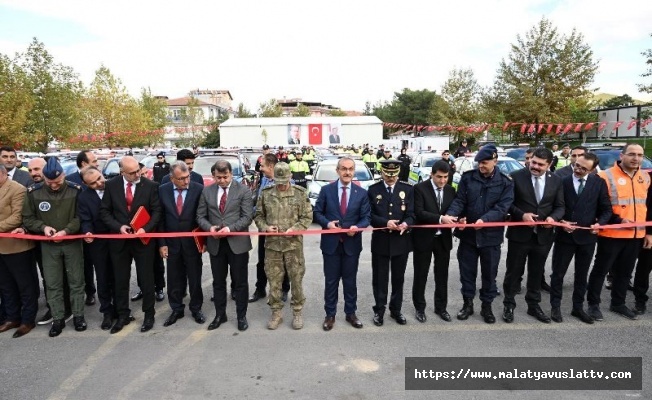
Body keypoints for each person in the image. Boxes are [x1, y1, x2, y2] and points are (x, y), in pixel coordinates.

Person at [441, 145, 514, 323]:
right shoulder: (468, 178)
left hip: (490, 237)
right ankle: (467, 305)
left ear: (495, 161)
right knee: (467, 273)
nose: (480, 166)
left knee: (489, 274)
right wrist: (452, 214)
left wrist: (485, 220)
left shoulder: (506, 182)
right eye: (479, 163)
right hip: (468, 236)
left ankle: (486, 307)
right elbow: (460, 200)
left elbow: (503, 207)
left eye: (485, 163)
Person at [22, 157, 86, 337]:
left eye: (58, 182)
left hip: (72, 242)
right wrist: (43, 228)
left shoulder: (76, 190)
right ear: (44, 178)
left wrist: (66, 231)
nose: (54, 185)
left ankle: (78, 316)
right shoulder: (34, 192)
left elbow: (81, 217)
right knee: (52, 283)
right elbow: (28, 218)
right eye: (50, 182)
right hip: (49, 245)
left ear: (63, 175)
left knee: (76, 281)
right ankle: (57, 318)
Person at [587, 143, 650, 321]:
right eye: (631, 154)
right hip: (611, 235)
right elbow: (598, 207)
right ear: (621, 156)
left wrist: (647, 232)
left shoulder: (645, 177)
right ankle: (593, 304)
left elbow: (646, 207)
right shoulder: (604, 176)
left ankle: (618, 303)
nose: (636, 158)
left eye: (639, 155)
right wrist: (619, 221)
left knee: (625, 272)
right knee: (601, 270)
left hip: (635, 235)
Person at [501, 147, 565, 324]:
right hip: (519, 235)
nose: (534, 166)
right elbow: (507, 203)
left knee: (536, 273)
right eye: (533, 162)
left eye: (540, 164)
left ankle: (533, 305)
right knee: (513, 272)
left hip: (543, 236)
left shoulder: (557, 180)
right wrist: (522, 215)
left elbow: (560, 206)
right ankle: (509, 303)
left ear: (549, 164)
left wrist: (553, 218)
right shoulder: (515, 176)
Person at [100, 156, 162, 334]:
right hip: (120, 242)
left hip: (143, 241)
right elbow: (104, 211)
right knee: (120, 280)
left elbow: (157, 211)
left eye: (138, 170)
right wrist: (118, 227)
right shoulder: (111, 185)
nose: (137, 174)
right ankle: (122, 315)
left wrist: (146, 228)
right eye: (132, 172)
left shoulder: (150, 186)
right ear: (122, 172)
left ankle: (149, 315)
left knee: (146, 279)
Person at [549, 153, 612, 324]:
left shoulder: (598, 183)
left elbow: (606, 209)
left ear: (592, 170)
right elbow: (553, 207)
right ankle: (555, 306)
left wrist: (600, 223)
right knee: (558, 274)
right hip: (564, 237)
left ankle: (578, 308)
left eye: (584, 168)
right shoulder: (561, 181)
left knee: (581, 275)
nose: (578, 170)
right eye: (577, 165)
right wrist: (561, 222)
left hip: (587, 238)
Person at [314, 157, 371, 331]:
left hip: (351, 245)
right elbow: (316, 212)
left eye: (350, 169)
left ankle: (351, 313)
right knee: (331, 281)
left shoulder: (361, 193)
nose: (347, 172)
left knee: (350, 281)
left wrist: (358, 227)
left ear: (354, 171)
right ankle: (330, 315)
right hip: (331, 245)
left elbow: (366, 217)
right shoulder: (326, 190)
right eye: (344, 169)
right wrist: (328, 224)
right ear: (337, 171)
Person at [254, 162, 313, 330]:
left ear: (290, 177)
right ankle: (276, 313)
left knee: (296, 280)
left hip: (293, 246)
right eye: (278, 181)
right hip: (272, 246)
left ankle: (297, 312)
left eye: (284, 181)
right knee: (274, 281)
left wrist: (296, 229)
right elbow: (258, 215)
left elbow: (307, 216)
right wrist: (265, 227)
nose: (281, 185)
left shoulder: (300, 194)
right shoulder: (266, 194)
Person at [197, 160, 253, 332]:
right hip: (216, 245)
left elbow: (247, 217)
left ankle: (241, 316)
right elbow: (200, 216)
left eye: (225, 177)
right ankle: (220, 315)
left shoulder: (243, 190)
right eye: (218, 177)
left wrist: (230, 228)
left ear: (231, 174)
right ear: (213, 175)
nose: (222, 180)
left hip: (238, 244)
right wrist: (209, 228)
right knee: (218, 282)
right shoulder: (207, 191)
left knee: (240, 283)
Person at [159, 161, 206, 327]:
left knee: (194, 278)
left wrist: (204, 240)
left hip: (192, 244)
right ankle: (176, 309)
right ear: (172, 178)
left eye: (188, 177)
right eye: (181, 179)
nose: (186, 181)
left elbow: (203, 216)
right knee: (173, 279)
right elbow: (161, 219)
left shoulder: (199, 189)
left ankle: (196, 308)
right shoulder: (162, 190)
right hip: (171, 244)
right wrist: (162, 243)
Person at [367, 159, 414, 326]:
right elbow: (369, 215)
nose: (391, 178)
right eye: (388, 175)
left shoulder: (407, 189)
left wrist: (406, 223)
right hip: (381, 240)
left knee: (398, 278)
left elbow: (412, 213)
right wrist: (385, 223)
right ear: (382, 172)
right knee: (380, 278)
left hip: (401, 241)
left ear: (398, 173)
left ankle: (396, 310)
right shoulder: (373, 190)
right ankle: (379, 310)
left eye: (394, 175)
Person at [412, 160, 455, 323]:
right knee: (421, 274)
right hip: (424, 239)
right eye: (439, 177)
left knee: (442, 275)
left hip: (443, 240)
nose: (442, 181)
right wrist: (440, 218)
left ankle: (441, 307)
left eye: (445, 177)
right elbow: (419, 212)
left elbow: (454, 211)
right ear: (432, 174)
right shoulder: (419, 189)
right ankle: (420, 308)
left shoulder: (451, 191)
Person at [0, 165, 39, 338]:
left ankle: (28, 320)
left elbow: (17, 217)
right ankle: (12, 317)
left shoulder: (17, 189)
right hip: (1, 248)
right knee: (6, 285)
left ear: (3, 174)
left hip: (16, 246)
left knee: (25, 285)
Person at [78, 166, 117, 330]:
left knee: (119, 276)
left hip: (117, 238)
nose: (99, 183)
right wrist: (87, 231)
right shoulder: (83, 197)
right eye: (93, 183)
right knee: (102, 277)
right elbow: (85, 218)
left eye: (100, 178)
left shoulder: (115, 187)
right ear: (86, 184)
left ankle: (121, 309)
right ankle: (107, 311)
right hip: (98, 241)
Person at [249, 153, 291, 303]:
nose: (260, 168)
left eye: (262, 165)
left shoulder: (285, 182)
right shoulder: (264, 181)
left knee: (284, 261)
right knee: (262, 261)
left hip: (282, 231)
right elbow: (259, 205)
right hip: (264, 229)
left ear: (271, 166)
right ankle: (260, 289)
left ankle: (284, 289)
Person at [66, 149, 99, 307]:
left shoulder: (101, 178)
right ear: (84, 164)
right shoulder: (70, 181)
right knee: (85, 265)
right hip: (79, 231)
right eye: (94, 161)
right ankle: (90, 292)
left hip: (100, 231)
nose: (97, 164)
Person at [633, 173, 652, 315]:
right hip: (650, 233)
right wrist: (649, 233)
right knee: (645, 266)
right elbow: (648, 208)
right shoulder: (648, 177)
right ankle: (640, 299)